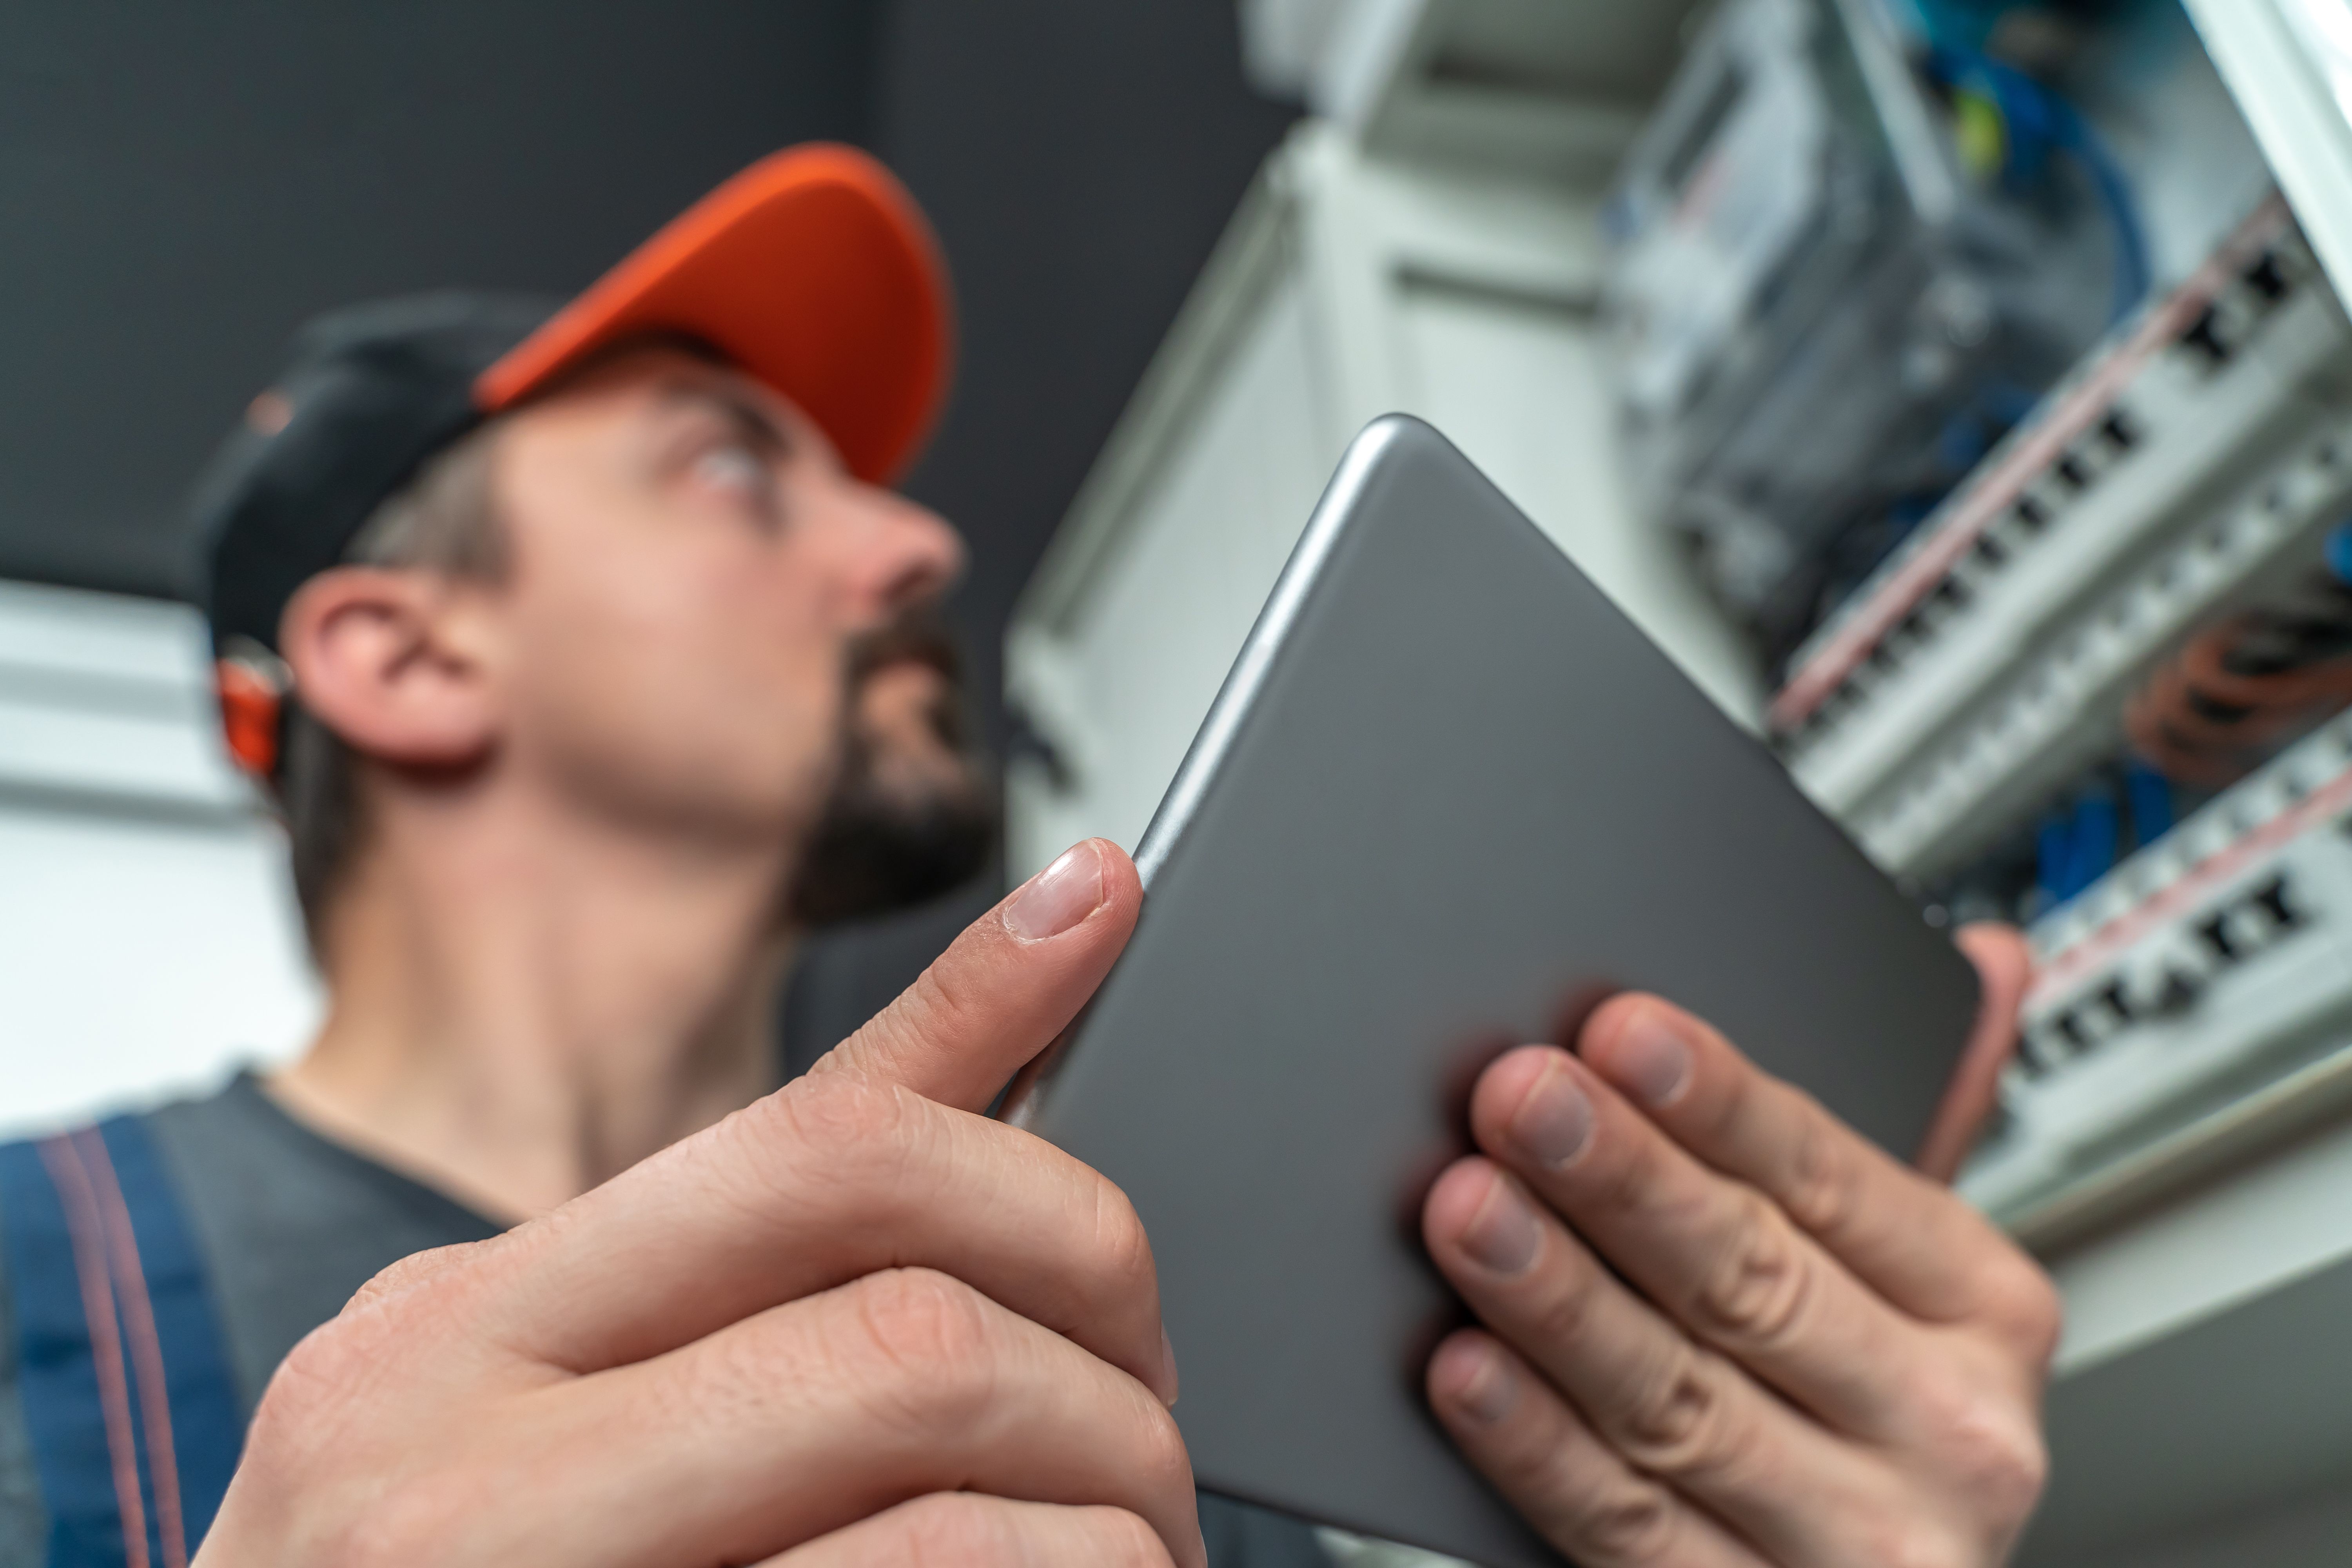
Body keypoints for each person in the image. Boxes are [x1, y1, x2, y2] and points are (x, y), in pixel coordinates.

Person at [0, 144, 2056, 1568]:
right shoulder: (32, 1305)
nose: (918, 545)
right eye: (732, 469)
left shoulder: (1130, 1335)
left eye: (874, 488)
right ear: (404, 651)